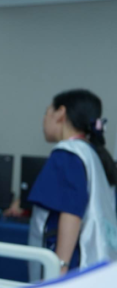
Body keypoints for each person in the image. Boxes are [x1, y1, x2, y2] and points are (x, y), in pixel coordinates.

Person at [24, 89, 117, 276]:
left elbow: (71, 213)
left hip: (75, 264)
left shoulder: (67, 154)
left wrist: (60, 267)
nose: (44, 119)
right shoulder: (93, 155)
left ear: (61, 113)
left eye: (47, 112)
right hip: (99, 263)